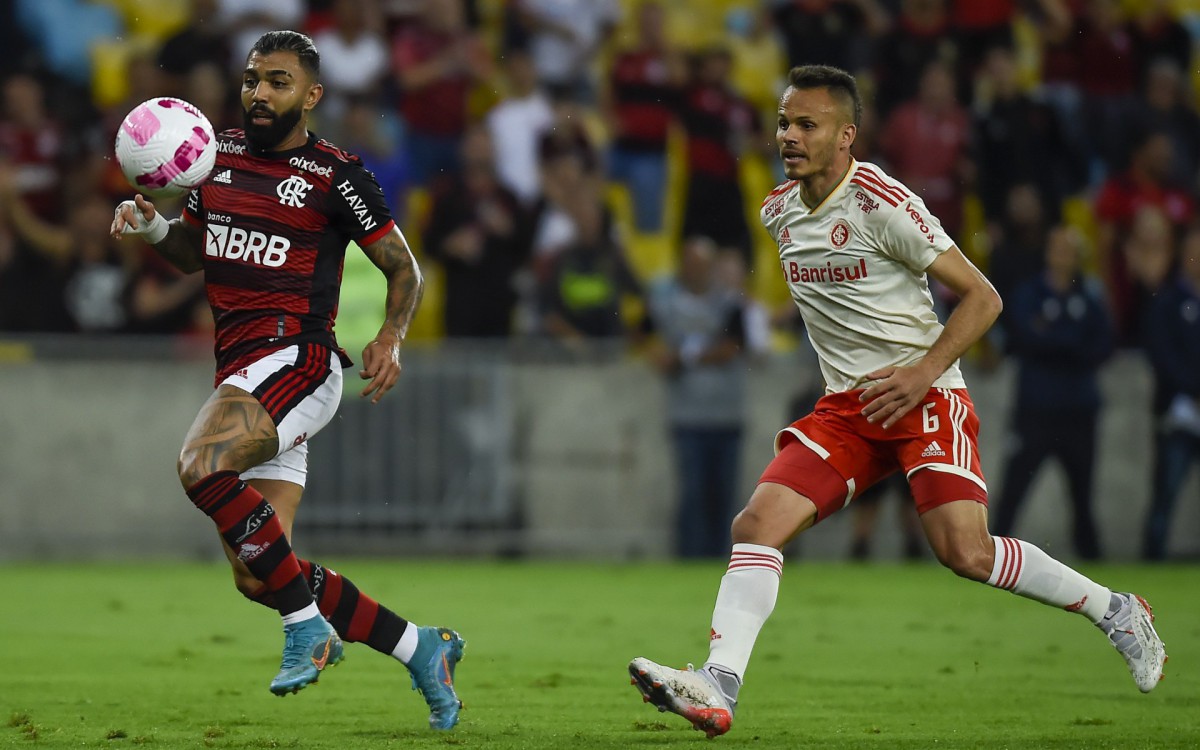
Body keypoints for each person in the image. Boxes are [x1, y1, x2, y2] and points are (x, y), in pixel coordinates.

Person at [627, 65, 1167, 739]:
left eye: (806, 124)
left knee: (963, 553)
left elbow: (984, 297)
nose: (787, 135)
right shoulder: (778, 213)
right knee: (755, 526)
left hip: (924, 396)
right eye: (783, 122)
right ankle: (719, 683)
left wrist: (924, 372)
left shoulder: (882, 201)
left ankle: (1115, 609)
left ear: (846, 135)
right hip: (848, 410)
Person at [108, 30, 466, 729]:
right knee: (259, 571)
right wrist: (155, 228)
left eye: (276, 82)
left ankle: (307, 630)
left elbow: (403, 266)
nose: (259, 94)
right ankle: (421, 648)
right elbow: (195, 255)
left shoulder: (336, 174)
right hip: (241, 372)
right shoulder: (215, 159)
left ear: (311, 95)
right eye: (251, 80)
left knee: (199, 465)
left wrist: (391, 335)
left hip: (298, 361)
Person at [990, 226, 1114, 560]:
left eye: (1069, 250)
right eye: (1057, 248)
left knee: (1082, 493)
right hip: (1036, 408)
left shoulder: (1089, 297)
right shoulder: (1029, 293)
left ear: (1078, 257)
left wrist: (1055, 340)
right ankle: (989, 556)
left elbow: (1104, 344)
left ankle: (1092, 559)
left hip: (1078, 410)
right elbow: (1025, 336)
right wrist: (1073, 342)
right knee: (1015, 487)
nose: (1062, 256)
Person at [645, 236, 751, 558]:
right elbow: (640, 334)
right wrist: (657, 356)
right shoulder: (665, 302)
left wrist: (685, 358)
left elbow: (733, 348)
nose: (696, 272)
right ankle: (689, 557)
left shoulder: (730, 303)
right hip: (686, 416)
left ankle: (721, 559)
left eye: (702, 266)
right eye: (691, 265)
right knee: (692, 495)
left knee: (723, 497)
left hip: (726, 415)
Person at [1141, 226, 1200, 560]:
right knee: (1167, 491)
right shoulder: (1169, 301)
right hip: (1180, 410)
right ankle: (1153, 556)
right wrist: (1192, 389)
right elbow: (1162, 354)